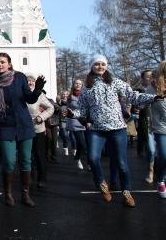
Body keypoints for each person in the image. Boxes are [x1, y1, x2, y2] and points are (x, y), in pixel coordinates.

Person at [66, 54, 156, 208]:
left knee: (121, 163)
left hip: (117, 129)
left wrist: (154, 97)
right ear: (92, 67)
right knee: (93, 159)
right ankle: (102, 184)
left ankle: (126, 192)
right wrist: (72, 113)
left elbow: (133, 96)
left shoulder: (115, 82)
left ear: (106, 66)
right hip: (97, 129)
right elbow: (82, 110)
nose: (100, 67)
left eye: (103, 64)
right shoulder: (87, 88)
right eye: (97, 64)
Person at [0, 53, 45, 207]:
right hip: (6, 126)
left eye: (3, 62)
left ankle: (25, 195)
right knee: (9, 161)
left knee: (26, 160)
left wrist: (37, 90)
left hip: (25, 125)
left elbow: (29, 98)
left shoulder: (19, 78)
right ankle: (8, 194)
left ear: (9, 64)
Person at [26, 74, 54, 188]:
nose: (30, 83)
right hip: (24, 129)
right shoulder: (21, 93)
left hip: (38, 129)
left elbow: (50, 108)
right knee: (27, 155)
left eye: (32, 81)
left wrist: (41, 117)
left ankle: (42, 177)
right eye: (28, 81)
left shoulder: (40, 94)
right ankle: (29, 176)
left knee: (39, 154)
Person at [150, 62, 166, 198]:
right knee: (164, 155)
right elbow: (143, 100)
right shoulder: (154, 86)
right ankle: (160, 179)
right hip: (160, 128)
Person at [66, 79, 87, 170]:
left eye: (80, 84)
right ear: (73, 85)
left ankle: (78, 157)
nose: (78, 85)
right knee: (82, 144)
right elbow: (68, 109)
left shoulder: (85, 95)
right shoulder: (70, 96)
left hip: (85, 121)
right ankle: (79, 160)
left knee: (81, 143)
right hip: (75, 121)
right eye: (76, 83)